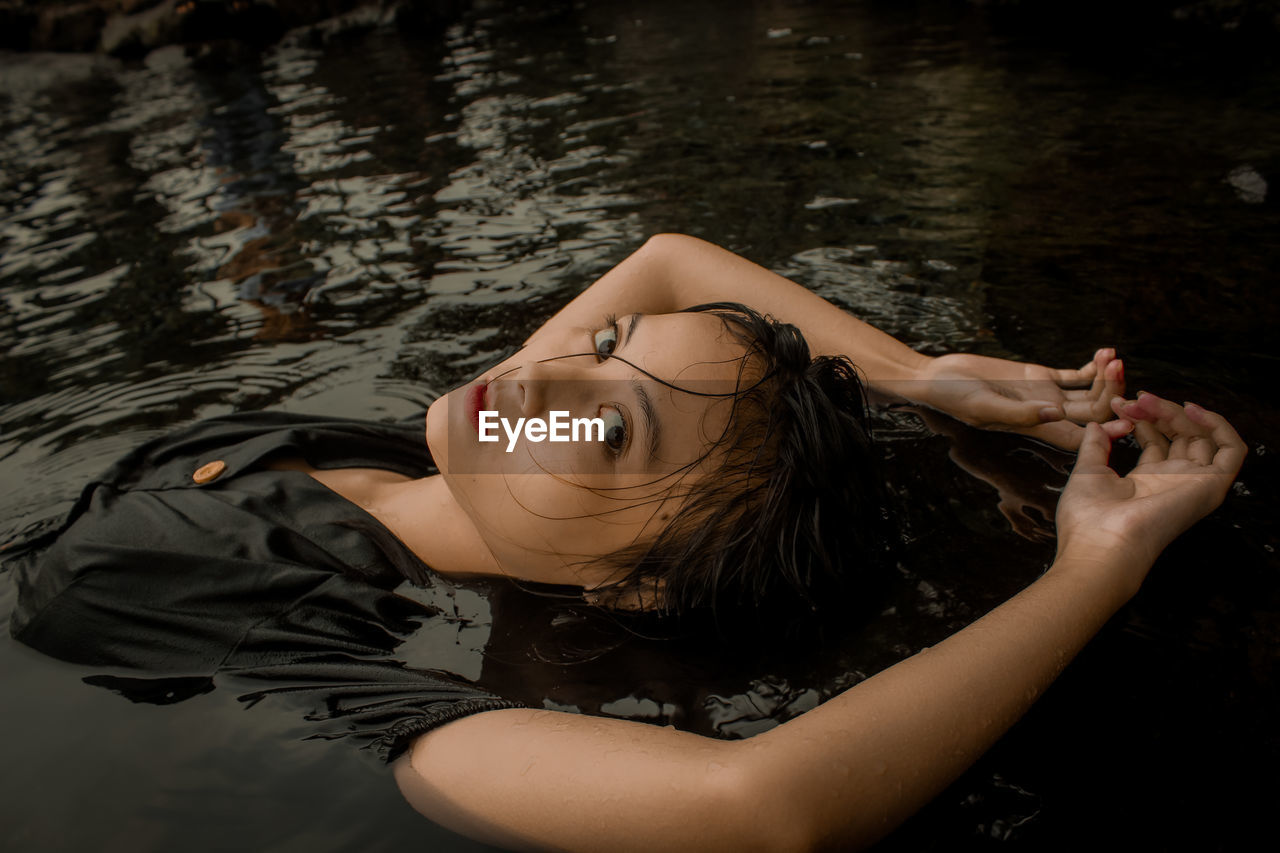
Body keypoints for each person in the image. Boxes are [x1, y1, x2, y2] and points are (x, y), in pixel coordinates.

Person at [7, 234, 1244, 851]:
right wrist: (922, 379)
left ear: (635, 574)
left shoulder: (310, 655)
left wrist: (1099, 559)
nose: (538, 367)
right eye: (601, 353)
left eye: (608, 420)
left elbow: (764, 805)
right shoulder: (481, 435)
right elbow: (665, 264)